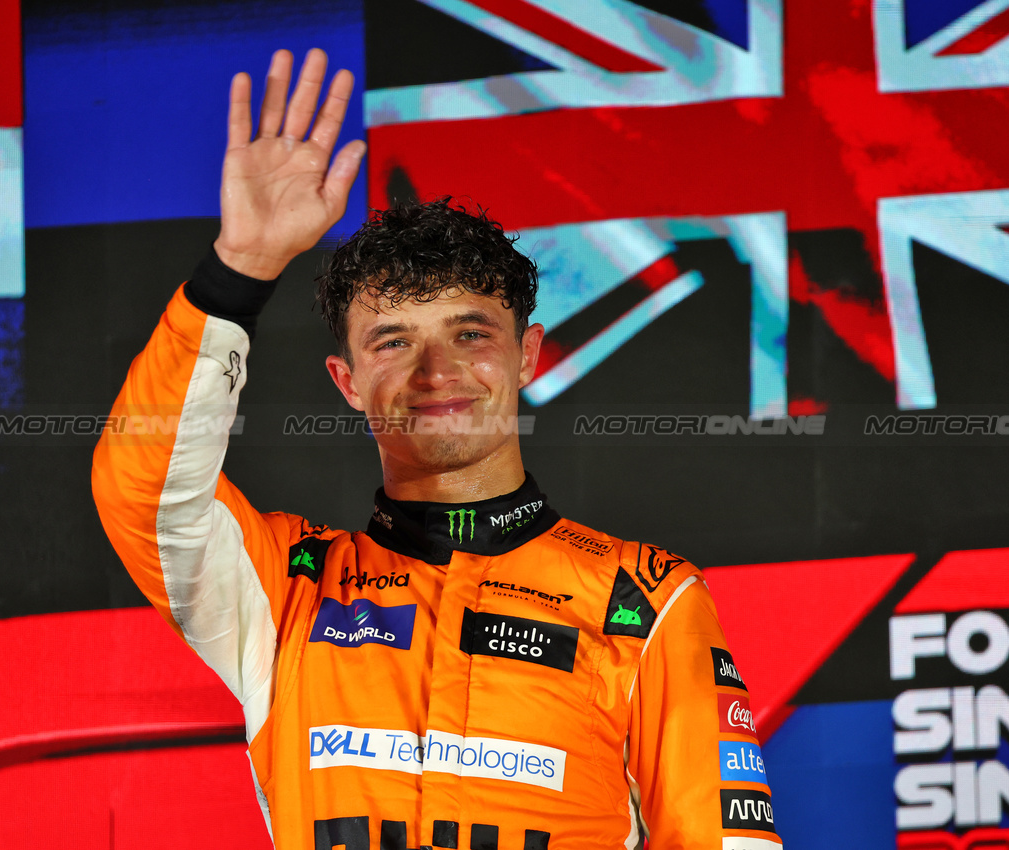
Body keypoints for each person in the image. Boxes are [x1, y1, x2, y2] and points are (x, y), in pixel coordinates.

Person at [92, 49, 780, 850]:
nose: (436, 372)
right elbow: (143, 493)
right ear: (345, 381)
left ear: (527, 355)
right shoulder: (283, 591)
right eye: (392, 341)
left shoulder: (645, 604)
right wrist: (238, 271)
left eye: (469, 333)